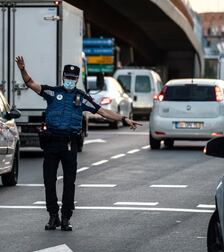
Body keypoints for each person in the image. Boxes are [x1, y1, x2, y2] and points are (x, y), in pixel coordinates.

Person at [15, 56, 141, 231]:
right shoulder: (52, 92)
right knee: (49, 180)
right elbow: (31, 84)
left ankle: (66, 217)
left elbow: (103, 111)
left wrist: (124, 118)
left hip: (69, 143)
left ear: (76, 80)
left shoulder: (81, 98)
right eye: (68, 77)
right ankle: (53, 216)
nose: (70, 81)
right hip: (51, 142)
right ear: (63, 77)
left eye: (73, 79)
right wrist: (22, 69)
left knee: (69, 181)